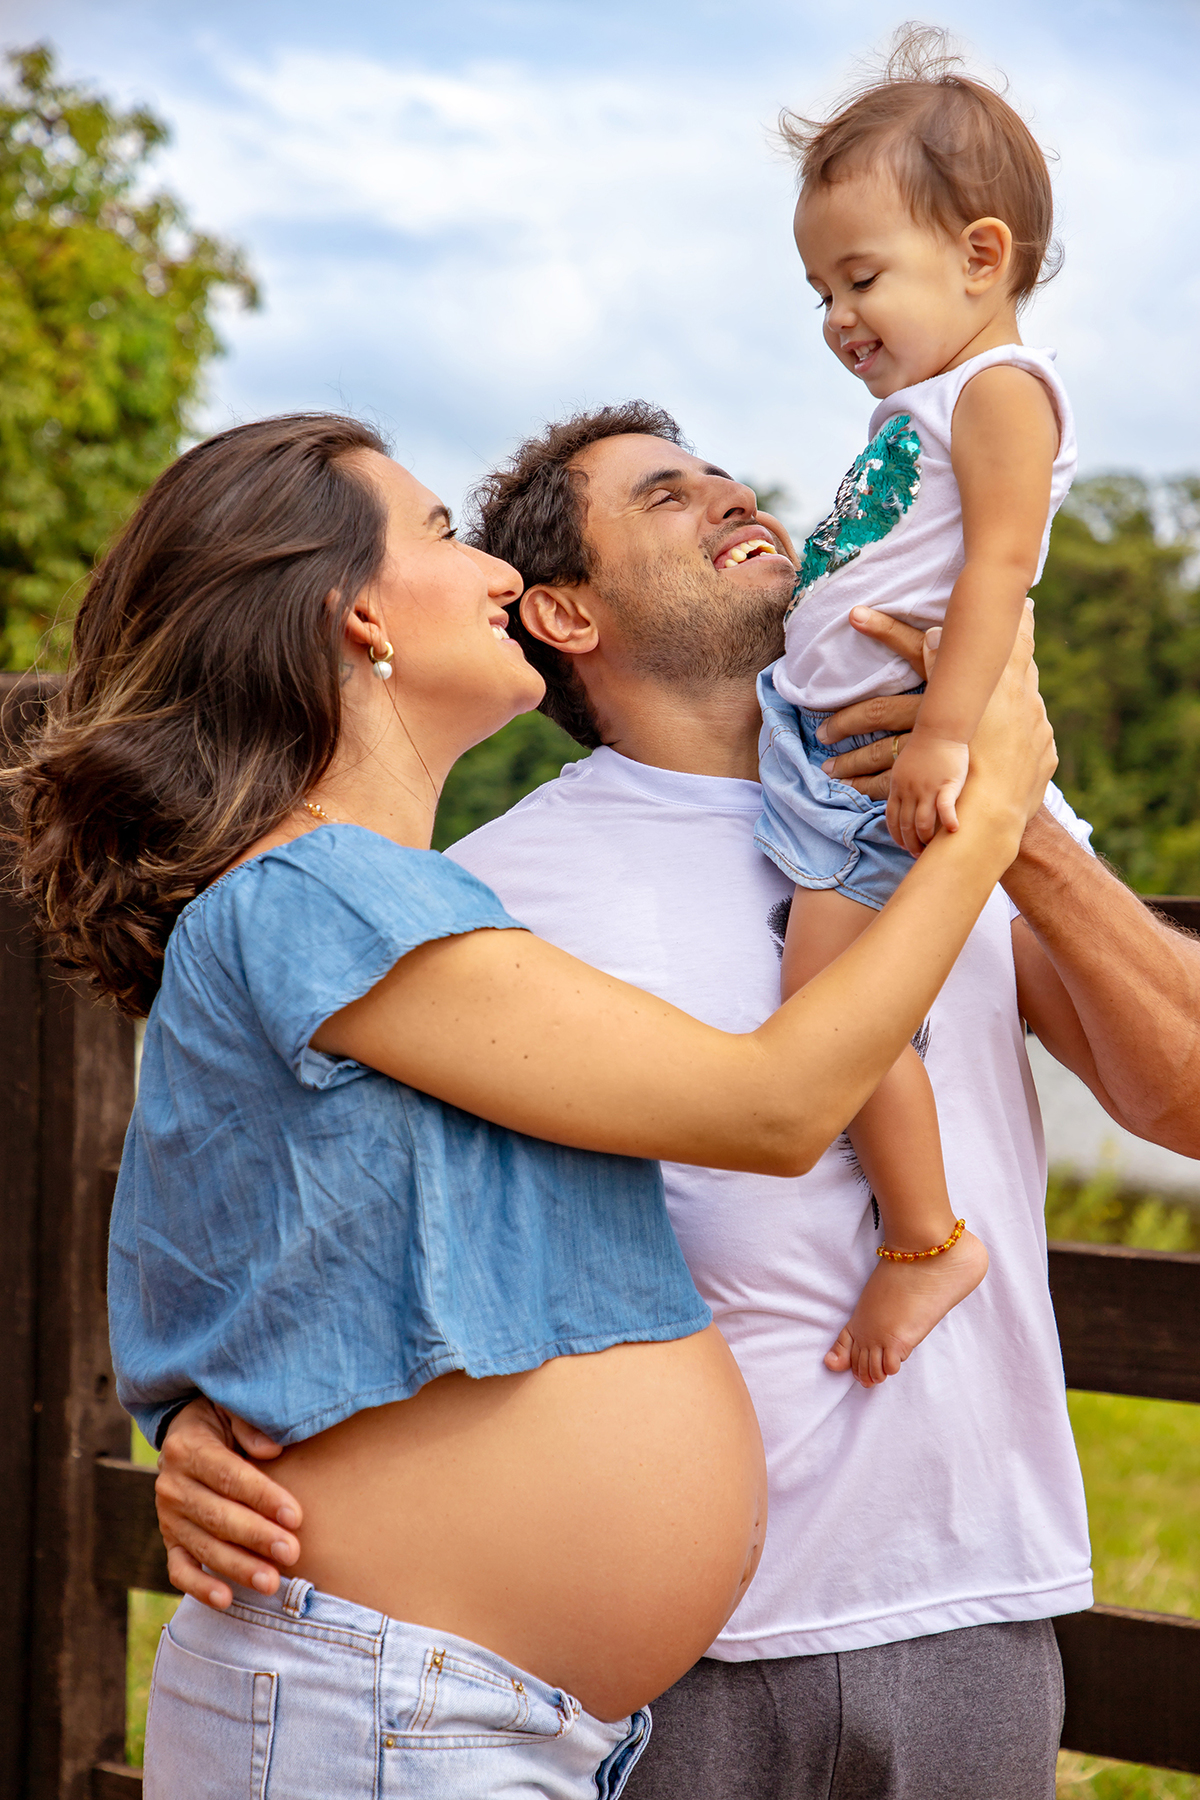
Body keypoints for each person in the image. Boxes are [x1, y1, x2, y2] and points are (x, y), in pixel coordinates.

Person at [150, 403, 1200, 1800]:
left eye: (722, 473)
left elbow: (1182, 1098)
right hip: (649, 1675)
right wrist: (205, 1429)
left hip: (971, 1600)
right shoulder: (490, 893)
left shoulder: (952, 796)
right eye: (664, 496)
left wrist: (1019, 831)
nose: (732, 497)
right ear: (567, 614)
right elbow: (306, 1209)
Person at [758, 30, 1078, 1386]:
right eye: (822, 286)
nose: (839, 315)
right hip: (816, 749)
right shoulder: (926, 402)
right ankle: (916, 1227)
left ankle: (925, 1239)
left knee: (830, 1011)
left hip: (882, 761)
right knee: (824, 1005)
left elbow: (1000, 566)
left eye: (862, 276)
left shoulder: (1000, 392)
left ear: (981, 257)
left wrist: (945, 734)